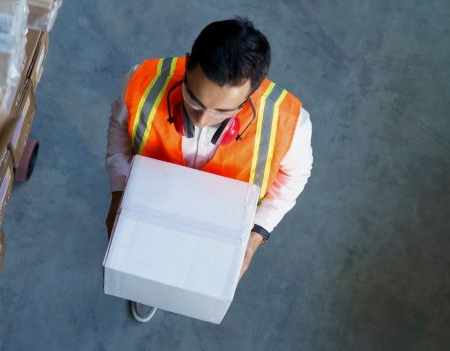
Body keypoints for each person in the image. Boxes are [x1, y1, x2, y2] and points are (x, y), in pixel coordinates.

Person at [105, 18, 313, 323]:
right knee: (148, 265)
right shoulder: (141, 81)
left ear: (252, 92)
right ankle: (149, 290)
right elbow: (119, 130)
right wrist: (118, 195)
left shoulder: (289, 122)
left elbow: (295, 176)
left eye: (222, 111)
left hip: (220, 221)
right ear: (188, 65)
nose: (202, 120)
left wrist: (254, 239)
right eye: (194, 100)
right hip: (154, 199)